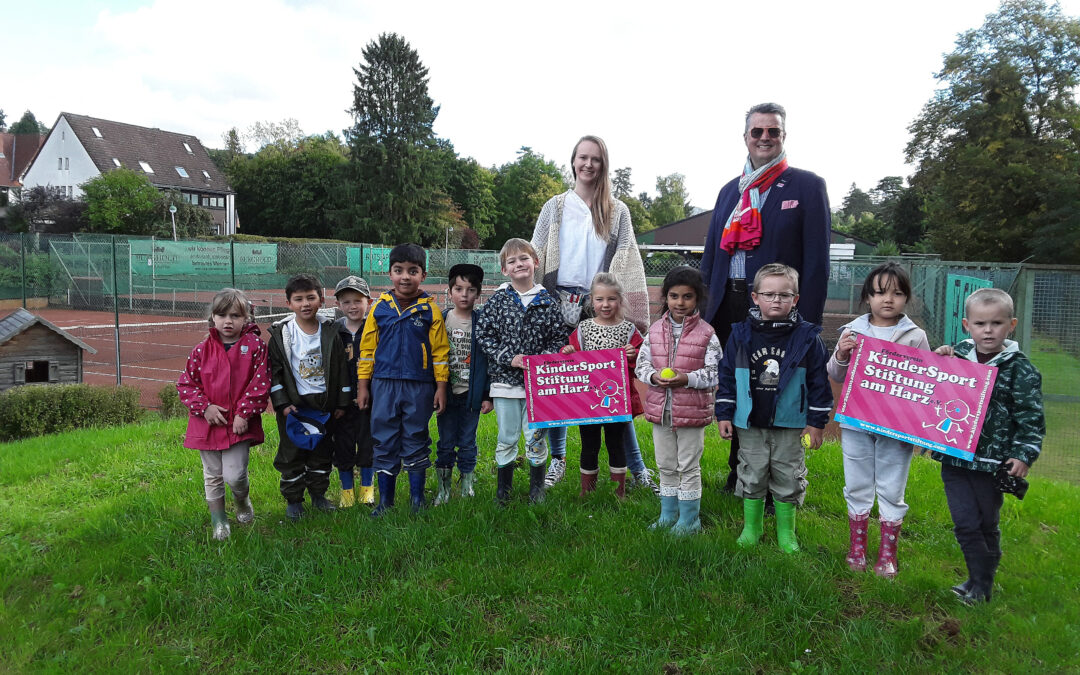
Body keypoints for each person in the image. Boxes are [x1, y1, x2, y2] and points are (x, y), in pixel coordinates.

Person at [700, 103, 831, 494]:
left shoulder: (807, 186)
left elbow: (817, 261)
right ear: (746, 138)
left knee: (774, 388)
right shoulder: (730, 191)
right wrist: (704, 308)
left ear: (783, 136)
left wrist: (807, 320)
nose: (764, 138)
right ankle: (739, 471)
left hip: (777, 307)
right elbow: (711, 255)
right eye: (757, 132)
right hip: (730, 305)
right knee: (739, 386)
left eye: (772, 131)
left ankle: (780, 477)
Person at [530, 135, 654, 492]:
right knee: (558, 386)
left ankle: (637, 468)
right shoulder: (554, 207)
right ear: (572, 162)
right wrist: (532, 299)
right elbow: (536, 251)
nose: (588, 164)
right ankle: (557, 462)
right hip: (556, 301)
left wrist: (622, 309)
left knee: (611, 389)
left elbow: (627, 257)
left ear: (603, 164)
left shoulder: (617, 211)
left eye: (595, 159)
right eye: (582, 158)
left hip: (598, 306)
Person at [932, 288, 1044, 604]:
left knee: (985, 523)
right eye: (981, 323)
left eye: (997, 323)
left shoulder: (1021, 370)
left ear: (1012, 325)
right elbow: (936, 389)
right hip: (954, 457)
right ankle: (977, 581)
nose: (988, 330)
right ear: (967, 325)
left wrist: (1023, 454)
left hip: (991, 463)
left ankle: (982, 584)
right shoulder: (957, 356)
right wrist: (938, 360)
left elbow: (1031, 418)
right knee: (965, 523)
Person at [716, 264, 832, 553]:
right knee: (752, 473)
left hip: (791, 423)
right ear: (755, 298)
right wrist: (725, 413)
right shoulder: (741, 335)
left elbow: (819, 382)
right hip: (751, 423)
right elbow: (727, 376)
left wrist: (816, 422)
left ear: (795, 299)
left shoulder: (808, 338)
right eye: (769, 294)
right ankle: (752, 528)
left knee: (788, 476)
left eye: (784, 295)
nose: (776, 300)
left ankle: (786, 533)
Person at [827, 262, 930, 577]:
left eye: (898, 293)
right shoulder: (852, 331)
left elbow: (927, 381)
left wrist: (940, 361)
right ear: (867, 297)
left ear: (906, 299)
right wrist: (841, 354)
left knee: (891, 485)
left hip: (895, 427)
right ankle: (856, 548)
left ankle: (888, 554)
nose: (889, 300)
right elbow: (835, 373)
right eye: (880, 293)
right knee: (857, 483)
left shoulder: (915, 336)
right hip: (856, 423)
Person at [357, 244, 449, 516]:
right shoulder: (378, 309)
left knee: (416, 437)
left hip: (419, 385)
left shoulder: (430, 311)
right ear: (390, 273)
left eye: (413, 271)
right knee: (384, 439)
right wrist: (364, 385)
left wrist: (441, 386)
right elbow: (367, 349)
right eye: (399, 271)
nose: (405, 277)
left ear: (424, 274)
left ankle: (417, 501)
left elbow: (440, 352)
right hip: (383, 384)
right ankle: (386, 502)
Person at [476, 238, 568, 505]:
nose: (519, 264)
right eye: (512, 261)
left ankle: (536, 489)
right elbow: (484, 335)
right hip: (505, 383)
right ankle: (503, 491)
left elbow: (558, 338)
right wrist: (509, 358)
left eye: (524, 258)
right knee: (507, 436)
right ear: (504, 269)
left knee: (536, 436)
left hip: (537, 385)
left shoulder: (547, 302)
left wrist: (540, 361)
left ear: (535, 263)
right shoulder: (498, 301)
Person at [177, 288, 270, 540]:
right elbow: (186, 384)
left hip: (239, 425)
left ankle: (242, 501)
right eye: (221, 315)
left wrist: (244, 414)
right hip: (206, 425)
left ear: (246, 318)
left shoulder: (255, 347)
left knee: (235, 474)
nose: (228, 321)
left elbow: (260, 384)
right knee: (212, 476)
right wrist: (204, 407)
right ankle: (219, 521)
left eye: (235, 315)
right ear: (213, 318)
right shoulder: (201, 350)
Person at [636, 267, 722, 534]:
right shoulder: (654, 330)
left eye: (687, 297)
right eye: (674, 296)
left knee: (688, 465)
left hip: (692, 413)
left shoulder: (707, 333)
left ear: (697, 299)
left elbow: (713, 372)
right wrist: (653, 377)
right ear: (666, 297)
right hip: (661, 411)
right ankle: (667, 514)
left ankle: (689, 520)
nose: (680, 303)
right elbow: (641, 366)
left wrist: (686, 379)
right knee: (665, 464)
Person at [267, 274, 352, 521]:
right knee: (292, 453)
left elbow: (341, 369)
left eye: (311, 298)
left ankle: (318, 495)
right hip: (294, 407)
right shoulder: (281, 334)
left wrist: (342, 402)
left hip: (324, 405)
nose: (305, 304)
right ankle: (294, 501)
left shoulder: (330, 331)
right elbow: (275, 372)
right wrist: (282, 404)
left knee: (321, 452)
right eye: (299, 299)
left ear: (321, 299)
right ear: (289, 303)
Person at [561, 272, 644, 499]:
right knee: (590, 444)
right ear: (592, 301)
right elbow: (570, 362)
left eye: (611, 299)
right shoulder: (584, 329)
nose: (605, 305)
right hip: (588, 402)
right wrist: (567, 352)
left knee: (616, 443)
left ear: (620, 300)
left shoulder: (629, 331)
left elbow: (644, 363)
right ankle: (587, 491)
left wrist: (633, 354)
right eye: (600, 299)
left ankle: (619, 492)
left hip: (617, 400)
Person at [433, 263, 493, 505]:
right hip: (446, 393)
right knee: (446, 442)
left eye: (470, 290)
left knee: (467, 441)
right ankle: (443, 489)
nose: (464, 295)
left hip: (472, 395)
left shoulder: (483, 323)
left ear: (478, 293)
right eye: (458, 289)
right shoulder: (441, 320)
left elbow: (489, 362)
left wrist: (487, 395)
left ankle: (467, 484)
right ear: (449, 292)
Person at [331, 275, 376, 507]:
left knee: (367, 443)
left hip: (369, 399)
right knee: (343, 445)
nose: (352, 306)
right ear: (338, 304)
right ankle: (347, 490)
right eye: (346, 301)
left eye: (357, 301)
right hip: (342, 401)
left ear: (368, 301)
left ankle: (367, 488)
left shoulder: (375, 328)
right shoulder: (333, 331)